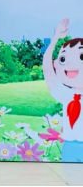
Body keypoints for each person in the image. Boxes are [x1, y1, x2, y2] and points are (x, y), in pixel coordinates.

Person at [43, 19, 83, 162]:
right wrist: (55, 38)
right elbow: (47, 70)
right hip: (70, 146)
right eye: (63, 59)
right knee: (69, 174)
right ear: (56, 64)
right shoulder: (66, 94)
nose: (70, 64)